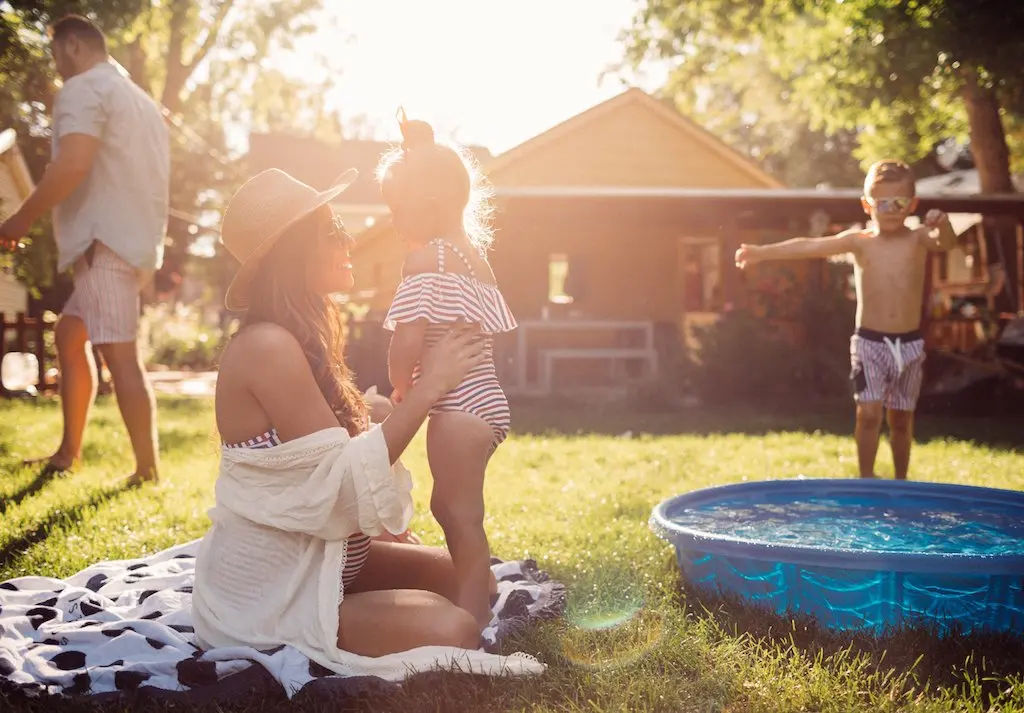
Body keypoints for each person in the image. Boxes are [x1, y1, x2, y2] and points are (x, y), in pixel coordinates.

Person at [194, 167, 501, 664]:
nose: (349, 239)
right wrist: (431, 387)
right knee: (457, 628)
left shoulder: (302, 337)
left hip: (331, 563)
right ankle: (353, 620)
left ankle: (371, 610)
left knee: (476, 579)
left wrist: (377, 412)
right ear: (295, 252)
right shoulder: (266, 346)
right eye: (332, 231)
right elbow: (343, 488)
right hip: (277, 595)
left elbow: (329, 457)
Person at [0, 15, 169, 485]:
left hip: (103, 244)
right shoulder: (141, 103)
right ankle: (68, 452)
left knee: (120, 355)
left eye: (55, 55)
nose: (56, 67)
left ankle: (147, 471)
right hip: (131, 244)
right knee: (70, 336)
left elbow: (73, 163)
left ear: (72, 45)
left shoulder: (83, 88)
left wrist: (22, 217)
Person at [377, 112, 516, 630]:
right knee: (453, 507)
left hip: (457, 408)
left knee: (459, 515)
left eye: (397, 210)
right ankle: (480, 586)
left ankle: (473, 616)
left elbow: (408, 337)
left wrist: (399, 382)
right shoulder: (476, 259)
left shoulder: (427, 260)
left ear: (429, 207)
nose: (392, 221)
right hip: (486, 399)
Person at [735, 159, 956, 479]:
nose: (891, 209)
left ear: (913, 205)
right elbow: (810, 246)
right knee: (868, 414)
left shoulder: (919, 238)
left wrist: (943, 224)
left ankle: (900, 482)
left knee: (900, 419)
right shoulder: (859, 242)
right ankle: (866, 479)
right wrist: (761, 252)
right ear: (867, 205)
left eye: (899, 202)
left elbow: (947, 244)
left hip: (909, 345)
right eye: (882, 202)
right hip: (870, 343)